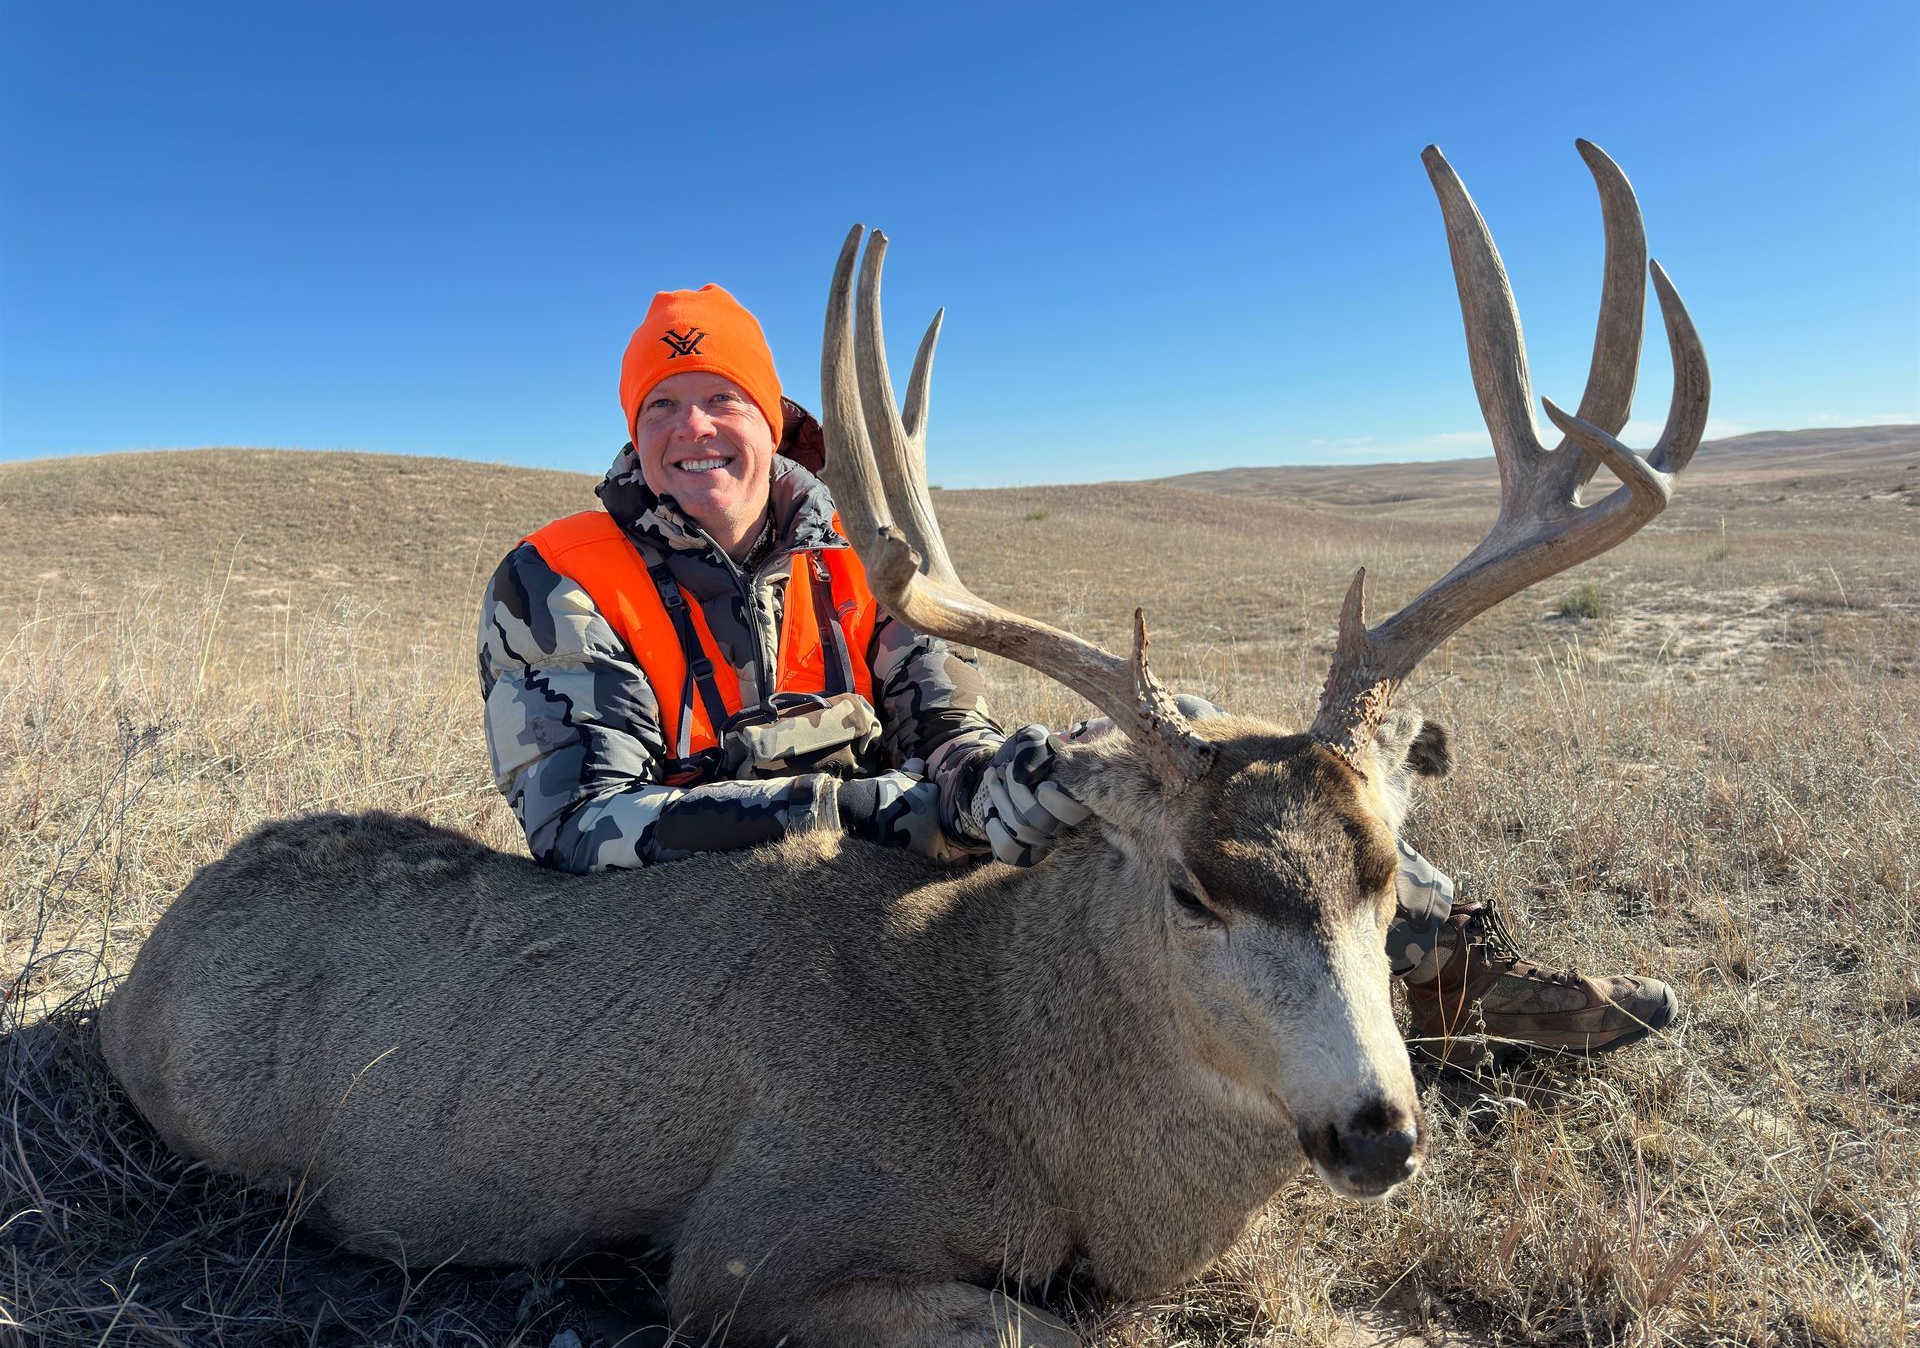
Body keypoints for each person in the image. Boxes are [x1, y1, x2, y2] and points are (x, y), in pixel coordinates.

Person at [478, 284, 1678, 1059]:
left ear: (768, 418)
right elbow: (587, 831)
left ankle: (1449, 966)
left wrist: (1018, 781)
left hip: (896, 871)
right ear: (634, 430)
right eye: (663, 407)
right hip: (690, 943)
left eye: (720, 401)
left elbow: (941, 733)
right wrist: (878, 809)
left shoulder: (854, 561)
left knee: (1187, 766)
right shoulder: (562, 582)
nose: (693, 432)